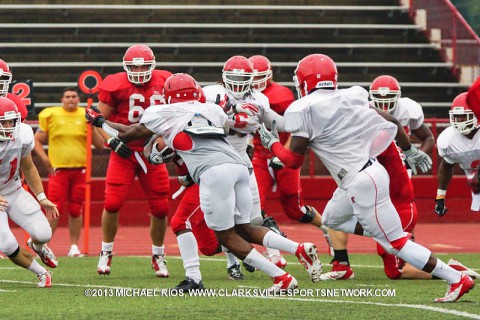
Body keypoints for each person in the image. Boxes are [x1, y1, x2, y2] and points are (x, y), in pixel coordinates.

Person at [259, 53, 474, 303]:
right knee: (331, 218)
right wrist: (409, 150)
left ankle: (456, 278)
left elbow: (293, 160)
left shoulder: (303, 107)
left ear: (305, 81)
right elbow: (391, 120)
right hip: (364, 174)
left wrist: (273, 144)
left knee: (396, 245)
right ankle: (383, 230)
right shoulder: (353, 95)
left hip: (361, 181)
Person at [85, 72, 323, 293]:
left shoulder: (162, 112)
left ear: (168, 95)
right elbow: (199, 139)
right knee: (244, 229)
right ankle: (298, 248)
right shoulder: (212, 110)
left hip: (213, 172)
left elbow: (127, 134)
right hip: (239, 167)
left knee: (225, 236)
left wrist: (99, 122)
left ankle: (281, 277)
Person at [322, 73, 436, 278]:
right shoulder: (362, 111)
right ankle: (341, 264)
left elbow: (426, 136)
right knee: (335, 213)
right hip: (366, 169)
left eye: (389, 99)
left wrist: (415, 154)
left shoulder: (407, 109)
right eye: (379, 99)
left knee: (392, 227)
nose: (384, 104)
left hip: (395, 172)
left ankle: (408, 250)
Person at [94, 44, 172, 277]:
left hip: (152, 150)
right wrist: (111, 142)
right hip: (124, 150)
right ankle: (106, 251)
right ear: (125, 66)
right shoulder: (115, 84)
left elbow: (176, 115)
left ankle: (158, 255)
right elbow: (97, 119)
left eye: (144, 65)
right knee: (112, 203)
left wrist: (165, 141)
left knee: (160, 206)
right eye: (134, 66)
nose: (139, 70)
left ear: (153, 65)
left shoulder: (165, 81)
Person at [248, 55, 333, 258]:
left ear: (269, 75)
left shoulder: (281, 95)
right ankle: (273, 251)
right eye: (253, 77)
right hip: (260, 155)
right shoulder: (245, 94)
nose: (256, 82)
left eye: (261, 77)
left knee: (295, 210)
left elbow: (296, 129)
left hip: (283, 152)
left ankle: (327, 229)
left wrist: (283, 152)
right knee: (254, 206)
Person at [33, 87, 105, 257]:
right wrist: (44, 159)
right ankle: (43, 246)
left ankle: (74, 247)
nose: (71, 99)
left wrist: (92, 126)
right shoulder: (51, 114)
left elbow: (100, 145)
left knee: (75, 208)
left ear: (78, 99)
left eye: (74, 96)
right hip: (59, 169)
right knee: (53, 208)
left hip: (80, 170)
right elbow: (37, 140)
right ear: (62, 99)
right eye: (68, 96)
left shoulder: (84, 114)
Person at [0, 97, 59, 287]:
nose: (9, 126)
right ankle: (41, 273)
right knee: (6, 244)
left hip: (13, 189)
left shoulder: (22, 134)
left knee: (43, 233)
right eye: (3, 122)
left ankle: (37, 247)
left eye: (12, 121)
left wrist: (41, 197)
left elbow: (29, 167)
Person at [435, 92, 480, 215]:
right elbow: (446, 165)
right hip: (474, 180)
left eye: (464, 116)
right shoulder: (448, 140)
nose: (460, 120)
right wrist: (440, 197)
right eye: (457, 116)